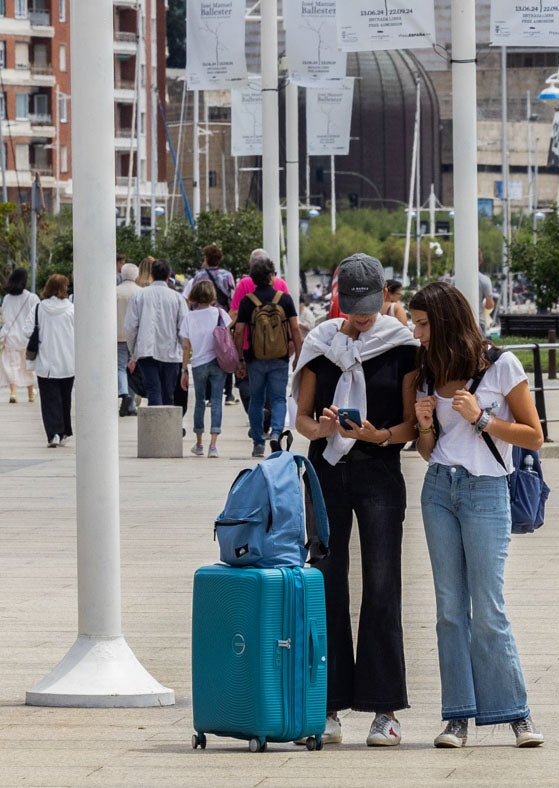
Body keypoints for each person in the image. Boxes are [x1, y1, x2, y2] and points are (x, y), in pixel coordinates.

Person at [406, 280, 546, 749]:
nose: (416, 331)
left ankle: (517, 714)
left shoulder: (501, 364)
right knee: (449, 610)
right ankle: (457, 717)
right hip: (440, 490)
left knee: (488, 608)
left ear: (443, 320)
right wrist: (425, 425)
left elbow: (533, 435)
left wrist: (481, 418)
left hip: (488, 492)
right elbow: (429, 452)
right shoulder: (427, 370)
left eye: (423, 323)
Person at [291, 254, 419, 746]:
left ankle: (384, 708)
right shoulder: (320, 344)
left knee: (383, 584)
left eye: (371, 305)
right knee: (325, 585)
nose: (363, 317)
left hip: (380, 471)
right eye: (354, 306)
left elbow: (410, 425)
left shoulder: (402, 347)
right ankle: (327, 705)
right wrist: (321, 428)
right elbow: (301, 418)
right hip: (327, 471)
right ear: (339, 298)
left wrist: (378, 434)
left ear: (385, 296)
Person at [234, 254, 301, 457]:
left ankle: (257, 442)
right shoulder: (285, 299)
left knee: (256, 399)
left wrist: (240, 359)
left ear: (252, 279)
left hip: (255, 358)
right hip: (279, 357)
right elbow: (296, 329)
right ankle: (276, 434)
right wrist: (298, 355)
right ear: (272, 276)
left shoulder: (248, 302)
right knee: (279, 398)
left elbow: (238, 331)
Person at [124, 259, 188, 407]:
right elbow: (183, 329)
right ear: (168, 276)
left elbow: (130, 326)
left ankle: (156, 427)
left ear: (151, 275)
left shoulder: (139, 296)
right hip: (171, 353)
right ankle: (167, 427)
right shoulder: (177, 298)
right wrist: (183, 352)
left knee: (153, 391)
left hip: (146, 351)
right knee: (168, 393)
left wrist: (134, 351)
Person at [180, 280, 232, 458]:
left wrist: (183, 370)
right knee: (217, 400)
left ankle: (199, 443)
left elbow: (186, 346)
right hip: (218, 362)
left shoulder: (189, 317)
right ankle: (213, 445)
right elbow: (228, 334)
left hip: (198, 363)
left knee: (200, 401)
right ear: (212, 295)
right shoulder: (220, 313)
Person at [32, 274, 76, 447]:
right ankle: (64, 432)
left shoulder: (39, 308)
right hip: (68, 361)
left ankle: (53, 434)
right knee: (65, 399)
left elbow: (27, 329)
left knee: (49, 401)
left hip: (46, 363)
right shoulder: (72, 310)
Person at [0, 268, 39, 404]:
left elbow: (4, 316)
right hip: (27, 337)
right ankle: (31, 394)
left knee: (12, 366)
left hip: (11, 337)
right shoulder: (32, 298)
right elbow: (38, 316)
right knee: (28, 366)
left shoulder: (7, 299)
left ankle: (13, 393)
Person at [115, 262, 141, 416]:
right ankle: (130, 403)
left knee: (120, 367)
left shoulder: (114, 292)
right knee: (133, 370)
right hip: (135, 337)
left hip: (118, 336)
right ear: (136, 276)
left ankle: (123, 393)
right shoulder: (140, 293)